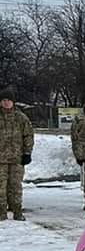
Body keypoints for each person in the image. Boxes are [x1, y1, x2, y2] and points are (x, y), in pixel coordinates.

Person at [0, 89, 34, 221]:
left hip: (17, 159)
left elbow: (28, 136)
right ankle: (1, 212)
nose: (6, 102)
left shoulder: (21, 118)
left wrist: (27, 153)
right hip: (0, 159)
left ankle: (17, 211)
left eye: (8, 100)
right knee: (1, 187)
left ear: (13, 102)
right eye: (3, 100)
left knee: (15, 186)